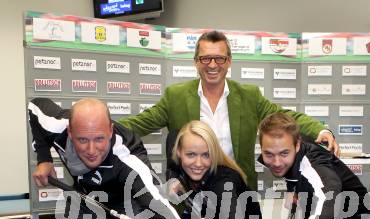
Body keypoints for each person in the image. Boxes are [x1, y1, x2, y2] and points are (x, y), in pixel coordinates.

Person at [118, 30, 339, 190]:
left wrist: (321, 131)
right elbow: (138, 124)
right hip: (192, 196)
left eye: (219, 58)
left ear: (229, 61)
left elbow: (287, 118)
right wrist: (100, 131)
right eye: (205, 58)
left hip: (239, 194)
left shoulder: (249, 95)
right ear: (196, 62)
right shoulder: (175, 96)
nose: (212, 65)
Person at [28, 97, 212, 219]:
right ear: (70, 132)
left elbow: (154, 197)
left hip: (130, 205)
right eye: (82, 140)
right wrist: (44, 158)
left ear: (110, 131)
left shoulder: (126, 154)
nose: (91, 150)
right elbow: (34, 106)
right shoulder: (54, 125)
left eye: (99, 138)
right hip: (85, 203)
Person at [258, 112, 370, 219]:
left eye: (284, 153)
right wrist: (293, 191)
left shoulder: (314, 163)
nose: (276, 162)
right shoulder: (287, 155)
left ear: (297, 145)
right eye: (268, 154)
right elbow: (295, 172)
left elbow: (327, 197)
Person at [168, 120, 262, 219]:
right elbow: (172, 140)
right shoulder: (175, 162)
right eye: (191, 155)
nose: (198, 163)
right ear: (178, 152)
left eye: (206, 155)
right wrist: (173, 180)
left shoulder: (225, 179)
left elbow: (231, 210)